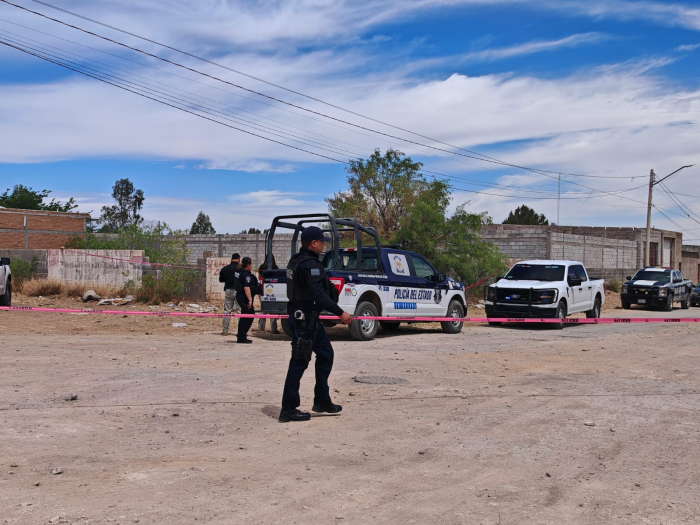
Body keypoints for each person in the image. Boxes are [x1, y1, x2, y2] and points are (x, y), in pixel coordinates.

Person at [279, 226, 353, 423]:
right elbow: (318, 295)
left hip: (308, 318)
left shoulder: (296, 260)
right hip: (304, 320)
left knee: (326, 354)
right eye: (321, 242)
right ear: (313, 243)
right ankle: (288, 409)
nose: (323, 245)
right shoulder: (310, 265)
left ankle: (321, 400)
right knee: (299, 362)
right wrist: (340, 313)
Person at [235, 257, 260, 344]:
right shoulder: (246, 275)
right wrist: (250, 300)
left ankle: (241, 335)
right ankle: (241, 336)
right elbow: (246, 288)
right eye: (251, 264)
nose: (252, 266)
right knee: (247, 317)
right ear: (248, 265)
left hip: (240, 296)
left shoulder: (239, 271)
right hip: (244, 297)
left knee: (247, 316)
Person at [256, 254, 280, 334]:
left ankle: (260, 328)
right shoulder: (275, 267)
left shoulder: (262, 266)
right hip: (273, 290)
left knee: (263, 308)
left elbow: (259, 278)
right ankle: (273, 329)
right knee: (273, 309)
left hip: (263, 290)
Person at [219, 253, 240, 336]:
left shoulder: (225, 269)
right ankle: (240, 332)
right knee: (240, 311)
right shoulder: (240, 269)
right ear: (239, 259)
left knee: (227, 311)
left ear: (231, 259)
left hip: (228, 290)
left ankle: (225, 331)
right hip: (238, 291)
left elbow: (221, 280)